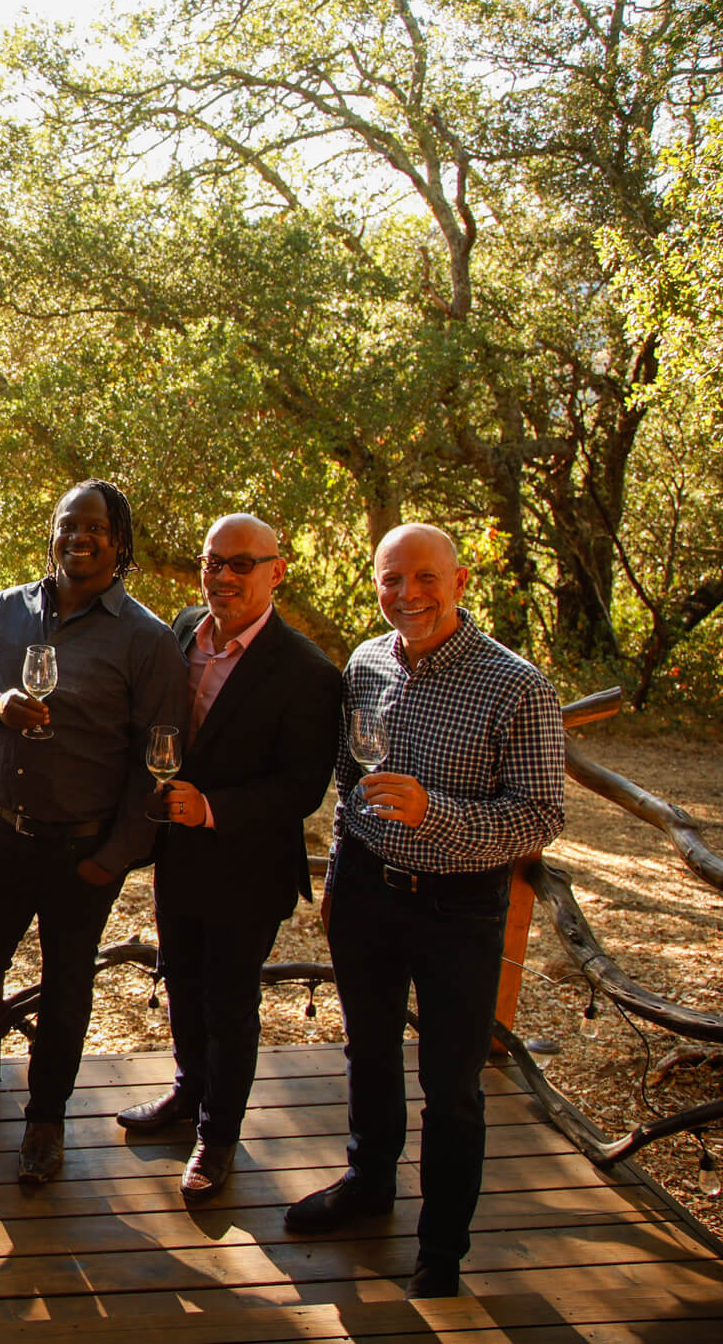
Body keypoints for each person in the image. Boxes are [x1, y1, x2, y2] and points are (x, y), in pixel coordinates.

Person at [285, 524, 564, 1299]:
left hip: (460, 908)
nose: (406, 593)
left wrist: (432, 813)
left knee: (452, 1085)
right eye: (390, 578)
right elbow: (349, 783)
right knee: (368, 1054)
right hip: (368, 896)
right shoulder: (366, 663)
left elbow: (540, 815)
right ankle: (368, 1183)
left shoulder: (518, 685)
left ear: (461, 580)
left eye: (423, 577)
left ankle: (441, 1247)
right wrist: (342, 878)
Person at [0, 479, 189, 1186]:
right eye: (67, 525)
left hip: (84, 851)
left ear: (120, 542)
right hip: (2, 835)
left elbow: (159, 761)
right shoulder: (7, 610)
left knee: (67, 987)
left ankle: (46, 1117)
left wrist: (114, 855)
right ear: (52, 532)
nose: (79, 537)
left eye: (95, 528)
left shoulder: (147, 638)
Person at [119, 514, 341, 1202]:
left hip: (248, 864)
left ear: (277, 570)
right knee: (180, 980)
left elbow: (302, 786)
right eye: (214, 560)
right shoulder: (183, 628)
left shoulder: (308, 671)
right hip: (178, 853)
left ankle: (218, 1137)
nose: (223, 575)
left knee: (229, 1001)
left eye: (241, 562)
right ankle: (187, 1095)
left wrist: (212, 806)